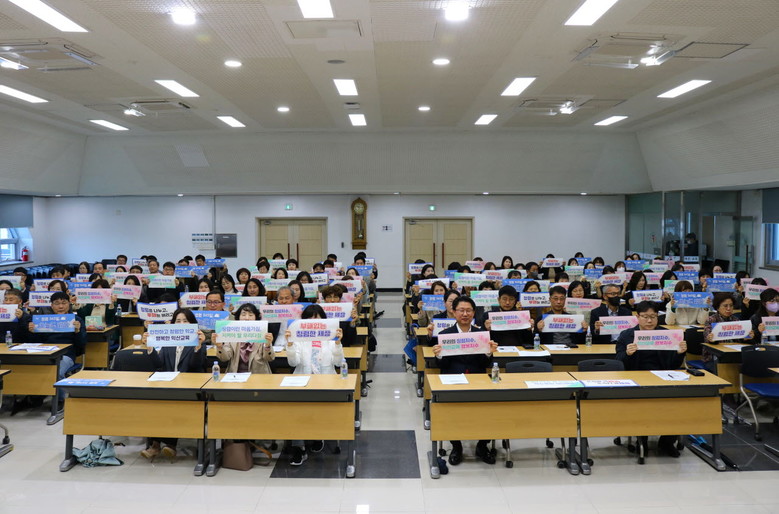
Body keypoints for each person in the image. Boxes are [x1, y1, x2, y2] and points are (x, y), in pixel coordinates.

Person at [615, 301, 688, 458]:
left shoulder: (667, 335)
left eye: (653, 317)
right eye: (645, 317)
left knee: (678, 401)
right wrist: (627, 354)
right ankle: (642, 440)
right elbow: (619, 362)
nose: (649, 321)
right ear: (637, 317)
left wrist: (679, 353)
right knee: (643, 403)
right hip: (635, 378)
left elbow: (673, 365)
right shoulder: (627, 335)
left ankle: (667, 442)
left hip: (662, 377)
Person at [433, 295, 498, 466]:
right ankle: (456, 446)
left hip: (478, 379)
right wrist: (439, 355)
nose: (465, 314)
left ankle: (482, 446)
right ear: (454, 312)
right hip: (453, 380)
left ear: (474, 313)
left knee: (487, 411)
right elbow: (442, 365)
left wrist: (488, 353)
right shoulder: (445, 335)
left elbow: (485, 364)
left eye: (469, 310)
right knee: (453, 412)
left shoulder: (481, 334)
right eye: (461, 310)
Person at [140, 307, 207, 461]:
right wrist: (149, 347)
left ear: (192, 324)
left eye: (185, 321)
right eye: (178, 321)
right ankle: (157, 445)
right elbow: (159, 364)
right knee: (157, 403)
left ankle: (166, 445)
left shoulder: (198, 341)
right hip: (169, 385)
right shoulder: (168, 341)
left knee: (173, 403)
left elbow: (196, 365)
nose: (181, 324)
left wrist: (198, 346)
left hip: (190, 387)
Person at [284, 303, 344, 465]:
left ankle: (319, 436)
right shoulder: (298, 338)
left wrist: (338, 343)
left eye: (317, 319)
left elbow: (338, 362)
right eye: (309, 320)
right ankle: (299, 448)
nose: (313, 323)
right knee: (297, 412)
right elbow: (293, 363)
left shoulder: (330, 337)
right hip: (302, 382)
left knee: (321, 410)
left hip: (326, 382)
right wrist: (290, 344)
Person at [28, 291, 87, 412]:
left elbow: (82, 344)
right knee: (32, 368)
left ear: (69, 304)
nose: (60, 306)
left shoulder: (76, 320)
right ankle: (37, 395)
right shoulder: (44, 320)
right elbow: (36, 342)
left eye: (64, 303)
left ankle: (60, 400)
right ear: (51, 305)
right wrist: (33, 332)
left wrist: (77, 332)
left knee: (57, 371)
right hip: (46, 353)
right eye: (57, 303)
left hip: (66, 355)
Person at [214, 303, 275, 373]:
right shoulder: (232, 334)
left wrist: (267, 346)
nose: (247, 318)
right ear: (238, 318)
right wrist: (219, 346)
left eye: (251, 315)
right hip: (235, 375)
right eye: (243, 315)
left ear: (256, 318)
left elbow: (269, 358)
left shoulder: (263, 333)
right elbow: (224, 358)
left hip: (258, 375)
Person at [702, 293, 755, 371]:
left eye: (731, 306)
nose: (729, 308)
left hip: (734, 355)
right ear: (718, 307)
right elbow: (707, 339)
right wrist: (711, 339)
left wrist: (747, 338)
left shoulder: (736, 320)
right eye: (725, 306)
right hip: (715, 357)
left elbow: (740, 339)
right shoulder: (711, 320)